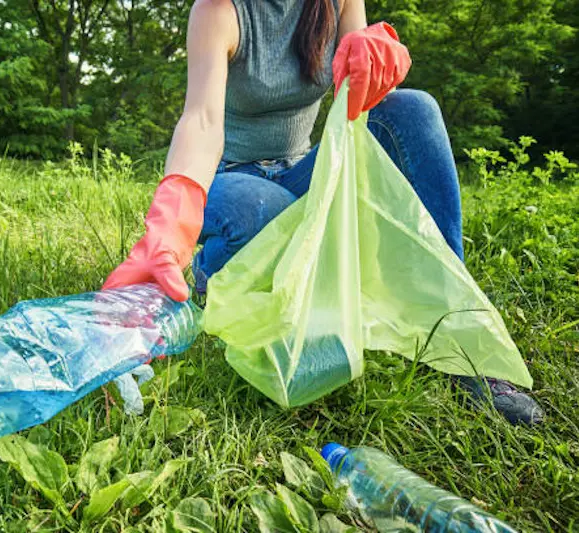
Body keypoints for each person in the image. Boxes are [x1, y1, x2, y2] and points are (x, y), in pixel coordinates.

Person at [103, 0, 544, 425]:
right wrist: (172, 219)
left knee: (414, 110)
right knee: (264, 210)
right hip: (229, 178)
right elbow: (202, 121)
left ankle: (456, 333)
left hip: (300, 170)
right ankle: (208, 270)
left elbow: (360, 100)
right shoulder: (219, 11)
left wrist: (376, 52)